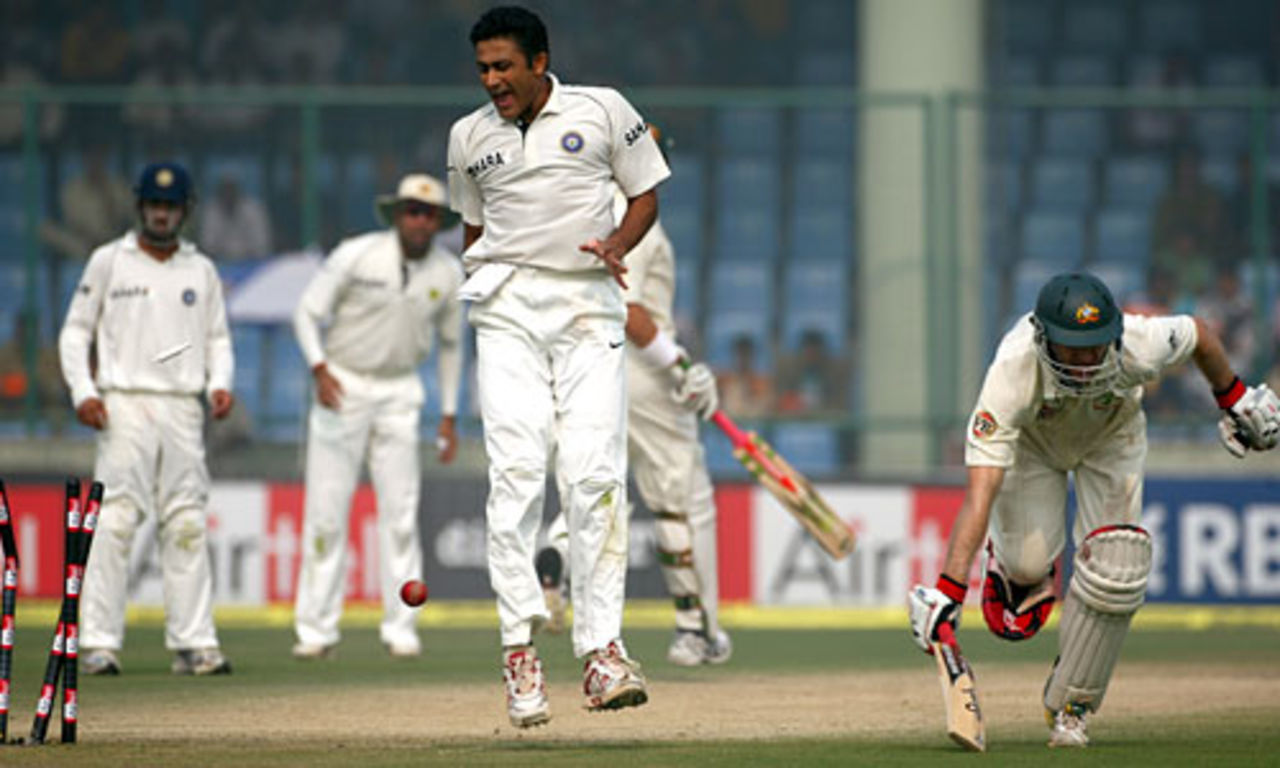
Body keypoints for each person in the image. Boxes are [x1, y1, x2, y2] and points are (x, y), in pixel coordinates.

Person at [908, 272, 1280, 749]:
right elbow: (982, 491)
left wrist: (1235, 398)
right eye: (1074, 349)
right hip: (1033, 450)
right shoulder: (1012, 370)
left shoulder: (1137, 342)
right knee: (1022, 582)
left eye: (1095, 347)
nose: (1087, 361)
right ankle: (1018, 566)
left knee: (1118, 565)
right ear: (1044, 340)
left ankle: (1072, 706)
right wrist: (949, 591)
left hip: (1112, 440)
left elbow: (1199, 336)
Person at [446, 5, 669, 728]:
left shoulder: (601, 110)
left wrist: (616, 245)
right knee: (515, 472)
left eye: (503, 66)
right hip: (506, 310)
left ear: (539, 61)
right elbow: (473, 231)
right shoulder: (468, 136)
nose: (492, 81)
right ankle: (519, 651)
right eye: (483, 69)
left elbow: (644, 195)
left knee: (594, 474)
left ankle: (602, 651)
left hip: (586, 307)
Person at [535, 130, 729, 667]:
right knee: (680, 498)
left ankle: (558, 555)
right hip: (639, 369)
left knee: (594, 487)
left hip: (582, 363)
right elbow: (630, 307)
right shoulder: (631, 215)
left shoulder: (581, 209)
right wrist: (680, 364)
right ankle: (696, 629)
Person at [58, 162, 235, 676]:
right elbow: (75, 332)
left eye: (171, 206)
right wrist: (84, 391)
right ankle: (98, 643)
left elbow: (218, 338)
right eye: (154, 205)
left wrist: (220, 384)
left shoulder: (200, 269)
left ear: (185, 211)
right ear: (140, 207)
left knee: (186, 523)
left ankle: (195, 643)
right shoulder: (109, 261)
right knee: (115, 520)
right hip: (124, 404)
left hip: (182, 406)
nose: (161, 214)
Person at [291, 173, 463, 660]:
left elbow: (452, 346)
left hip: (400, 391)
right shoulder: (357, 254)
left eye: (429, 214)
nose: (420, 221)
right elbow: (306, 314)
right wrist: (319, 369)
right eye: (413, 211)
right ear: (397, 215)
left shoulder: (448, 273)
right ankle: (316, 630)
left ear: (439, 222)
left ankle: (401, 628)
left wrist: (449, 414)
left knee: (401, 517)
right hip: (342, 385)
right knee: (326, 513)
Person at [776, 327, 849, 414]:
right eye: (809, 351)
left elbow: (838, 404)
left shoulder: (833, 372)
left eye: (815, 352)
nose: (812, 355)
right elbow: (783, 401)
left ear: (821, 352)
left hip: (825, 415)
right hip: (796, 416)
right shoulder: (791, 371)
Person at [716, 333, 775, 417]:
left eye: (746, 355)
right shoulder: (725, 380)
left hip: (755, 420)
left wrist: (755, 390)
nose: (743, 359)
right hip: (730, 419)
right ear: (735, 356)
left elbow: (768, 408)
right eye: (740, 355)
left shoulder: (760, 382)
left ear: (752, 357)